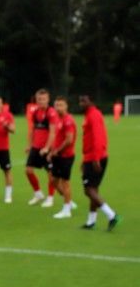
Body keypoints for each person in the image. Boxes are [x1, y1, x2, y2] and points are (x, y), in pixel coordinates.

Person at [79, 95, 120, 230]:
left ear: (91, 101)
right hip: (91, 157)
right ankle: (91, 221)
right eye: (80, 101)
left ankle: (111, 215)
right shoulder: (89, 114)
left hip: (95, 157)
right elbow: (89, 139)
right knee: (94, 189)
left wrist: (96, 158)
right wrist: (84, 159)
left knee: (88, 190)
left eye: (84, 101)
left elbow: (98, 137)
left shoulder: (93, 115)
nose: (81, 103)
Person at [25, 89, 58, 206]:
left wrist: (47, 147)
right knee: (28, 170)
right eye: (39, 99)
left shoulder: (51, 113)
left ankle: (50, 198)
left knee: (51, 174)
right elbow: (32, 130)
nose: (41, 101)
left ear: (48, 100)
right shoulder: (35, 113)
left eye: (43, 99)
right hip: (36, 146)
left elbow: (52, 132)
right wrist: (29, 145)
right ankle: (38, 193)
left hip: (48, 148)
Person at [47, 97, 77, 219]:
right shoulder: (58, 119)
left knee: (65, 182)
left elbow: (69, 140)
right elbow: (57, 138)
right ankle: (68, 201)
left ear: (66, 106)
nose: (58, 107)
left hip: (66, 156)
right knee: (53, 180)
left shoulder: (68, 120)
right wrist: (51, 152)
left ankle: (66, 211)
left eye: (61, 105)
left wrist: (57, 151)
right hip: (57, 155)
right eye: (56, 105)